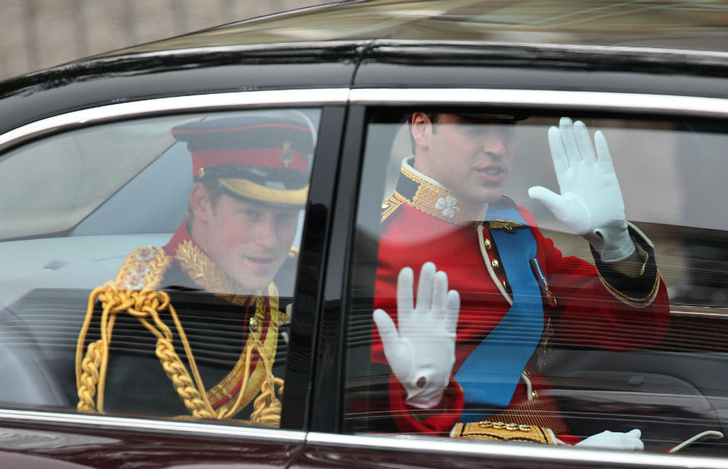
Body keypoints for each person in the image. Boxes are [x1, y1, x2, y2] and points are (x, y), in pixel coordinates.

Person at [371, 113, 670, 448]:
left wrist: (614, 243)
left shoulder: (511, 224)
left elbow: (628, 327)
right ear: (423, 129)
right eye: (475, 129)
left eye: (506, 131)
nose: (497, 147)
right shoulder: (379, 244)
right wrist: (564, 453)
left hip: (553, 447)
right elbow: (376, 418)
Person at [75, 111, 314, 424]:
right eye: (251, 214)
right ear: (202, 203)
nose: (269, 240)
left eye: (284, 218)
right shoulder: (145, 318)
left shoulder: (298, 278)